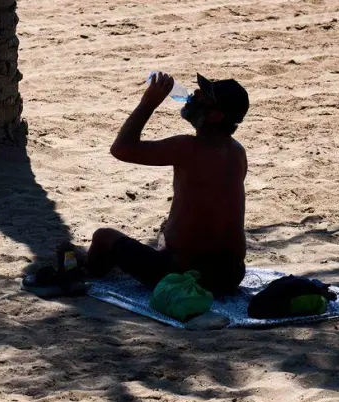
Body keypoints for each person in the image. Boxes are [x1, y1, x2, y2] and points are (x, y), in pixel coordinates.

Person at [79, 72, 250, 296]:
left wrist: (148, 103)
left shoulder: (188, 147)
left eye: (204, 96)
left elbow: (121, 149)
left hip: (184, 275)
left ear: (216, 116)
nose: (195, 94)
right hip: (230, 276)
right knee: (165, 230)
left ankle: (88, 269)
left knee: (104, 237)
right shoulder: (237, 151)